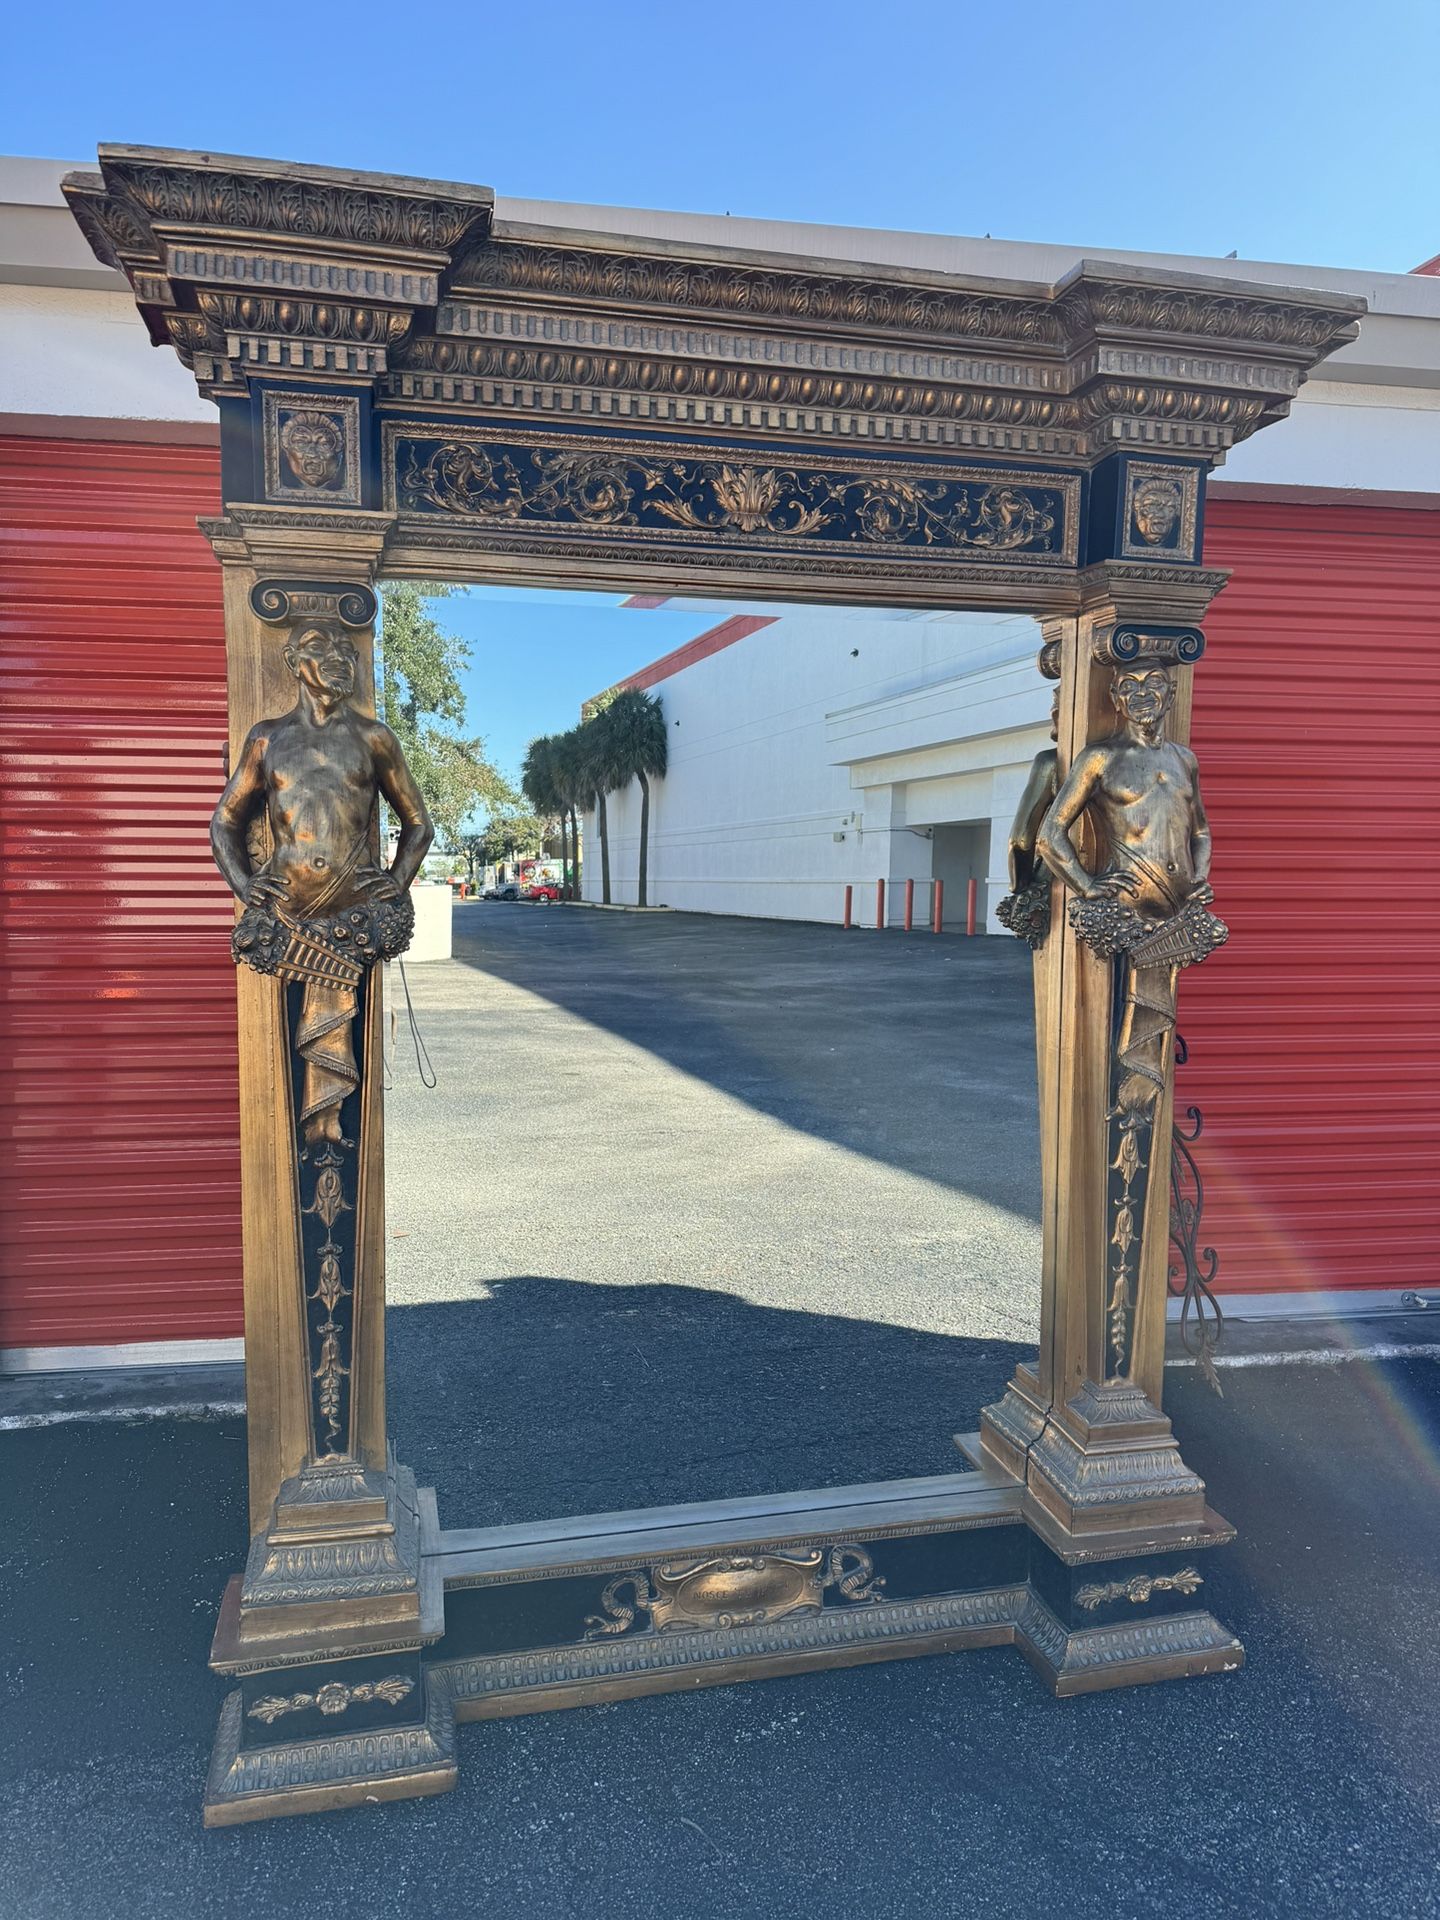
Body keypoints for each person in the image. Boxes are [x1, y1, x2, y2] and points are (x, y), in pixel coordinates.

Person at [210, 622, 433, 1144]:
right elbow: (226, 820)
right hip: (286, 918)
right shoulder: (267, 737)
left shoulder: (374, 738)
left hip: (353, 915)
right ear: (291, 662)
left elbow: (418, 824)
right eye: (318, 647)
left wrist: (396, 881)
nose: (336, 657)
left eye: (345, 649)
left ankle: (331, 1123)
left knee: (342, 1024)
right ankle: (309, 1130)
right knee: (287, 1037)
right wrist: (244, 886)